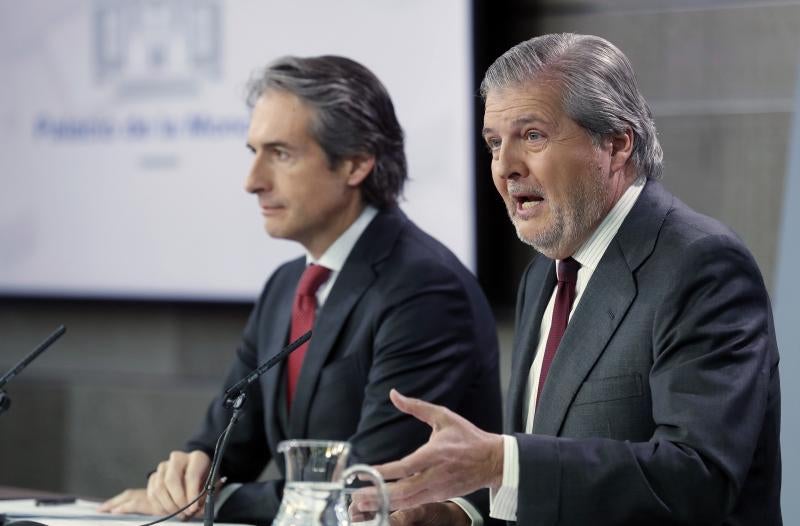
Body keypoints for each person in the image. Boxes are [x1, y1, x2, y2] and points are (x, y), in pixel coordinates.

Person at [355, 33, 782, 525]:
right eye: (494, 143)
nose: (505, 167)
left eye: (532, 136)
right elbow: (549, 463)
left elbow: (697, 478)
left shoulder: (702, 266)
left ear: (616, 144)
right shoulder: (544, 274)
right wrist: (459, 514)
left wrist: (499, 462)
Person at [99, 55, 502, 525]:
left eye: (281, 154)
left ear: (355, 163)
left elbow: (367, 487)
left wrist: (213, 501)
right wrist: (184, 477)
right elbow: (225, 446)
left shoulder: (425, 289)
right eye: (253, 152)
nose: (252, 182)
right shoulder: (285, 286)